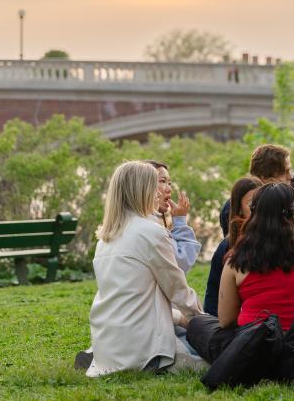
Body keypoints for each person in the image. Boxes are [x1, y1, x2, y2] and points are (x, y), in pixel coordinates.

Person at [187, 182, 294, 363]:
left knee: (197, 324)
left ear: (254, 213)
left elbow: (225, 320)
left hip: (254, 351)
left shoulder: (236, 258)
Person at [83, 161, 205, 376]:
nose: (160, 193)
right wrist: (202, 320)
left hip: (108, 345)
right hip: (143, 349)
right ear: (142, 190)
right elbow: (178, 290)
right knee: (213, 360)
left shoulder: (106, 238)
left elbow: (135, 298)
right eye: (154, 185)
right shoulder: (151, 232)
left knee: (184, 332)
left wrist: (180, 318)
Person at [203, 177, 263, 315]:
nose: (258, 209)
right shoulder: (226, 247)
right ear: (239, 209)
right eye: (252, 204)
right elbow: (213, 298)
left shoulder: (284, 241)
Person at [146, 160, 201, 273]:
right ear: (144, 186)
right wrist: (180, 221)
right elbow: (181, 263)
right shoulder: (150, 230)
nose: (169, 189)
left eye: (169, 183)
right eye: (162, 181)